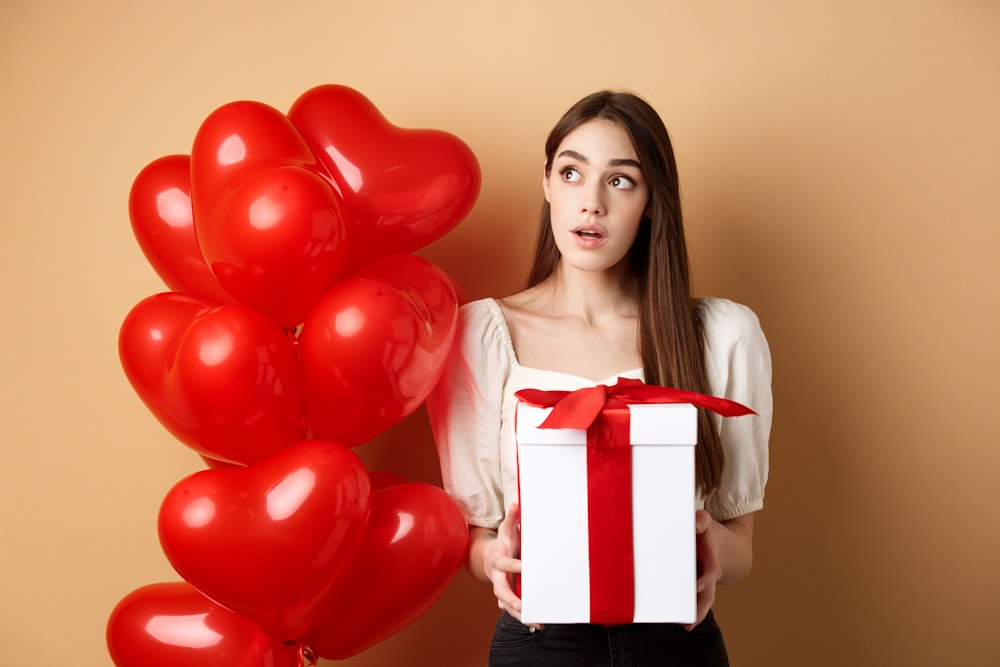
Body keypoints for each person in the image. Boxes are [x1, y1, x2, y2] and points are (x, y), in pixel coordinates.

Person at [426, 90, 772, 666]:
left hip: (677, 642)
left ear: (652, 201)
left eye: (620, 181)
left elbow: (742, 546)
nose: (591, 204)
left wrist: (710, 546)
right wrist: (493, 560)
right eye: (571, 173)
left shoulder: (722, 336)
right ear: (547, 184)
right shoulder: (480, 336)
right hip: (541, 642)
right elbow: (477, 535)